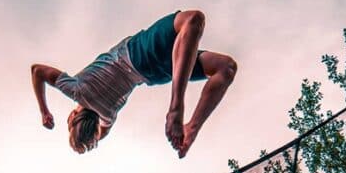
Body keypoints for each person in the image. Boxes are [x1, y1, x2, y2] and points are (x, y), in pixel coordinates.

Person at [31, 10, 237, 158]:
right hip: (139, 52)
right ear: (72, 115)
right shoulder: (76, 90)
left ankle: (192, 129)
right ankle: (176, 108)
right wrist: (44, 112)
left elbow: (97, 136)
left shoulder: (107, 118)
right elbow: (37, 71)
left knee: (225, 68)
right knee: (193, 20)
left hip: (157, 74)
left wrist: (82, 142)